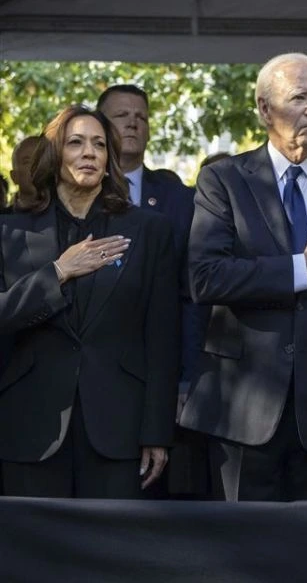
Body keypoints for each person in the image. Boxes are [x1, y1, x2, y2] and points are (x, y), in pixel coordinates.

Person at [181, 53, 307, 501]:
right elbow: (205, 278)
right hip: (242, 413)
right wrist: (302, 267)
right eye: (299, 97)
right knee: (245, 558)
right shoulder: (224, 181)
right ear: (264, 109)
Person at [0, 105, 179, 498]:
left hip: (120, 429)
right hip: (29, 427)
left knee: (115, 553)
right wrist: (58, 273)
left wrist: (157, 432)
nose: (89, 153)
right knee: (35, 555)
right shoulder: (9, 230)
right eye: (75, 143)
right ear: (54, 154)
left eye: (99, 144)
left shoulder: (149, 231)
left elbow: (163, 336)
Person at [96, 83, 208, 498]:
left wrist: (187, 379)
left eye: (141, 116)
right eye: (121, 115)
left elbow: (193, 295)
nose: (133, 122)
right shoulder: (78, 195)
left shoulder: (181, 198)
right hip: (96, 373)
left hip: (159, 375)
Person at [10, 135, 42, 211]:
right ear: (14, 177)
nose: (36, 166)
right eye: (27, 162)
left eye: (41, 159)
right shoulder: (3, 219)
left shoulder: (68, 217)